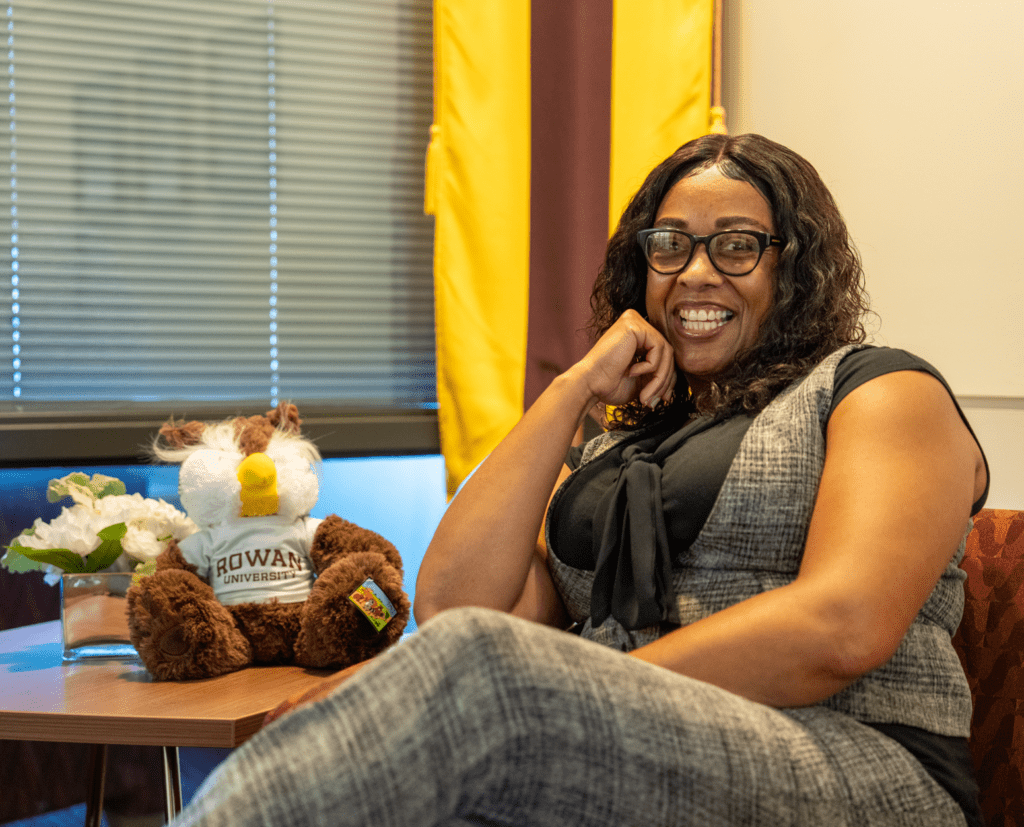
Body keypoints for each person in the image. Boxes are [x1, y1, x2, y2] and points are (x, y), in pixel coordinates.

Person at [172, 133, 989, 827]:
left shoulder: (878, 389)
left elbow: (841, 625)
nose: (696, 272)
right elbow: (458, 603)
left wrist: (572, 681)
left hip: (856, 759)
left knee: (477, 673)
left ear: (794, 265)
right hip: (625, 743)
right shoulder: (610, 444)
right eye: (670, 244)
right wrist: (572, 391)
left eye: (737, 243)